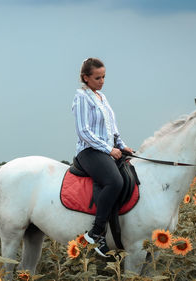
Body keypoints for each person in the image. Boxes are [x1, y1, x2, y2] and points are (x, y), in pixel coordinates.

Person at [72, 57, 133, 257]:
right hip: (89, 151)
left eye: (104, 77)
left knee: (128, 176)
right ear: (85, 78)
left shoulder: (102, 98)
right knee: (114, 181)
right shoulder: (81, 97)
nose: (102, 81)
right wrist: (108, 149)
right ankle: (96, 233)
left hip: (107, 149)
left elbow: (112, 129)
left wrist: (122, 146)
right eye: (98, 77)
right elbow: (84, 131)